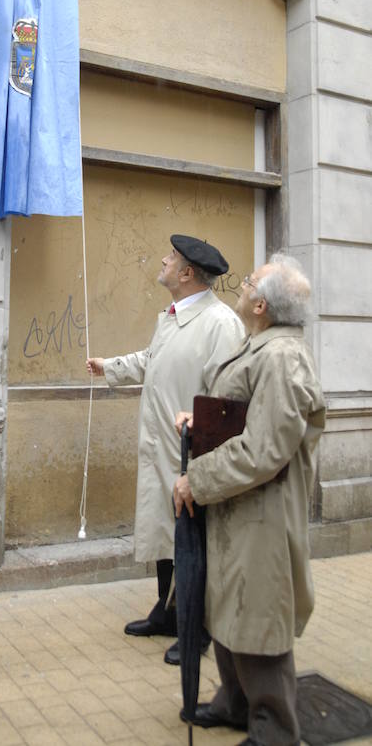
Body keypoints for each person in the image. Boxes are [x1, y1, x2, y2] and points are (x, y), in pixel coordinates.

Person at [173, 254, 326, 746]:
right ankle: (235, 704)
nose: (241, 284)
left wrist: (197, 479)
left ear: (261, 304)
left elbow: (265, 449)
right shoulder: (260, 344)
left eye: (249, 281)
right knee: (229, 608)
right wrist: (203, 425)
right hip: (238, 508)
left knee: (259, 618)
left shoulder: (281, 356)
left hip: (262, 514)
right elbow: (242, 417)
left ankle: (275, 729)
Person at [86, 234, 244, 665]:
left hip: (194, 451)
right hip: (161, 444)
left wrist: (209, 445)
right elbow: (153, 358)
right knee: (164, 531)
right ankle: (168, 612)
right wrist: (110, 367)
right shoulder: (172, 317)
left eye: (171, 258)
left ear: (187, 272)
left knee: (193, 539)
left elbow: (229, 397)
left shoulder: (221, 324)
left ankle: (198, 628)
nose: (163, 260)